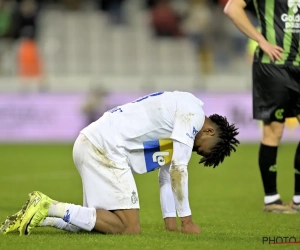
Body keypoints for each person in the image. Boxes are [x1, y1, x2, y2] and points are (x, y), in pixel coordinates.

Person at [0, 91, 239, 235]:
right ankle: (49, 206)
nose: (194, 151)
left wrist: (171, 223)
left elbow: (166, 175)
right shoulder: (192, 116)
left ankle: (38, 215)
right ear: (208, 131)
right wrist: (186, 221)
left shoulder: (179, 113)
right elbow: (179, 169)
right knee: (129, 228)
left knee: (100, 222)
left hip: (91, 141)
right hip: (105, 147)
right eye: (200, 149)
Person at [224, 0, 300, 213]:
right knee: (274, 131)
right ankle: (272, 199)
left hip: (297, 66)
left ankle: (298, 198)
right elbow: (232, 8)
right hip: (273, 67)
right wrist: (261, 41)